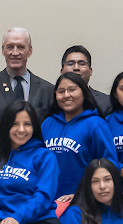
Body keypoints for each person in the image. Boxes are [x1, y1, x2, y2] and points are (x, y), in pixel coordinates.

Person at [42, 72, 111, 204]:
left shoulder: (96, 125)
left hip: (83, 203)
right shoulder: (47, 124)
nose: (66, 95)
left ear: (84, 93)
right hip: (48, 203)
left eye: (72, 90)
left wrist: (84, 194)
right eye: (61, 91)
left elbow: (108, 166)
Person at [0, 28, 55, 117]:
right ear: (3, 50)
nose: (15, 53)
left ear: (30, 51)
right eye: (10, 47)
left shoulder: (47, 90)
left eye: (20, 47)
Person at [60, 45, 112, 113]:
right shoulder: (50, 99)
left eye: (82, 64)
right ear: (61, 71)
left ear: (90, 71)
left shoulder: (106, 102)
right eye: (70, 64)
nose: (76, 68)